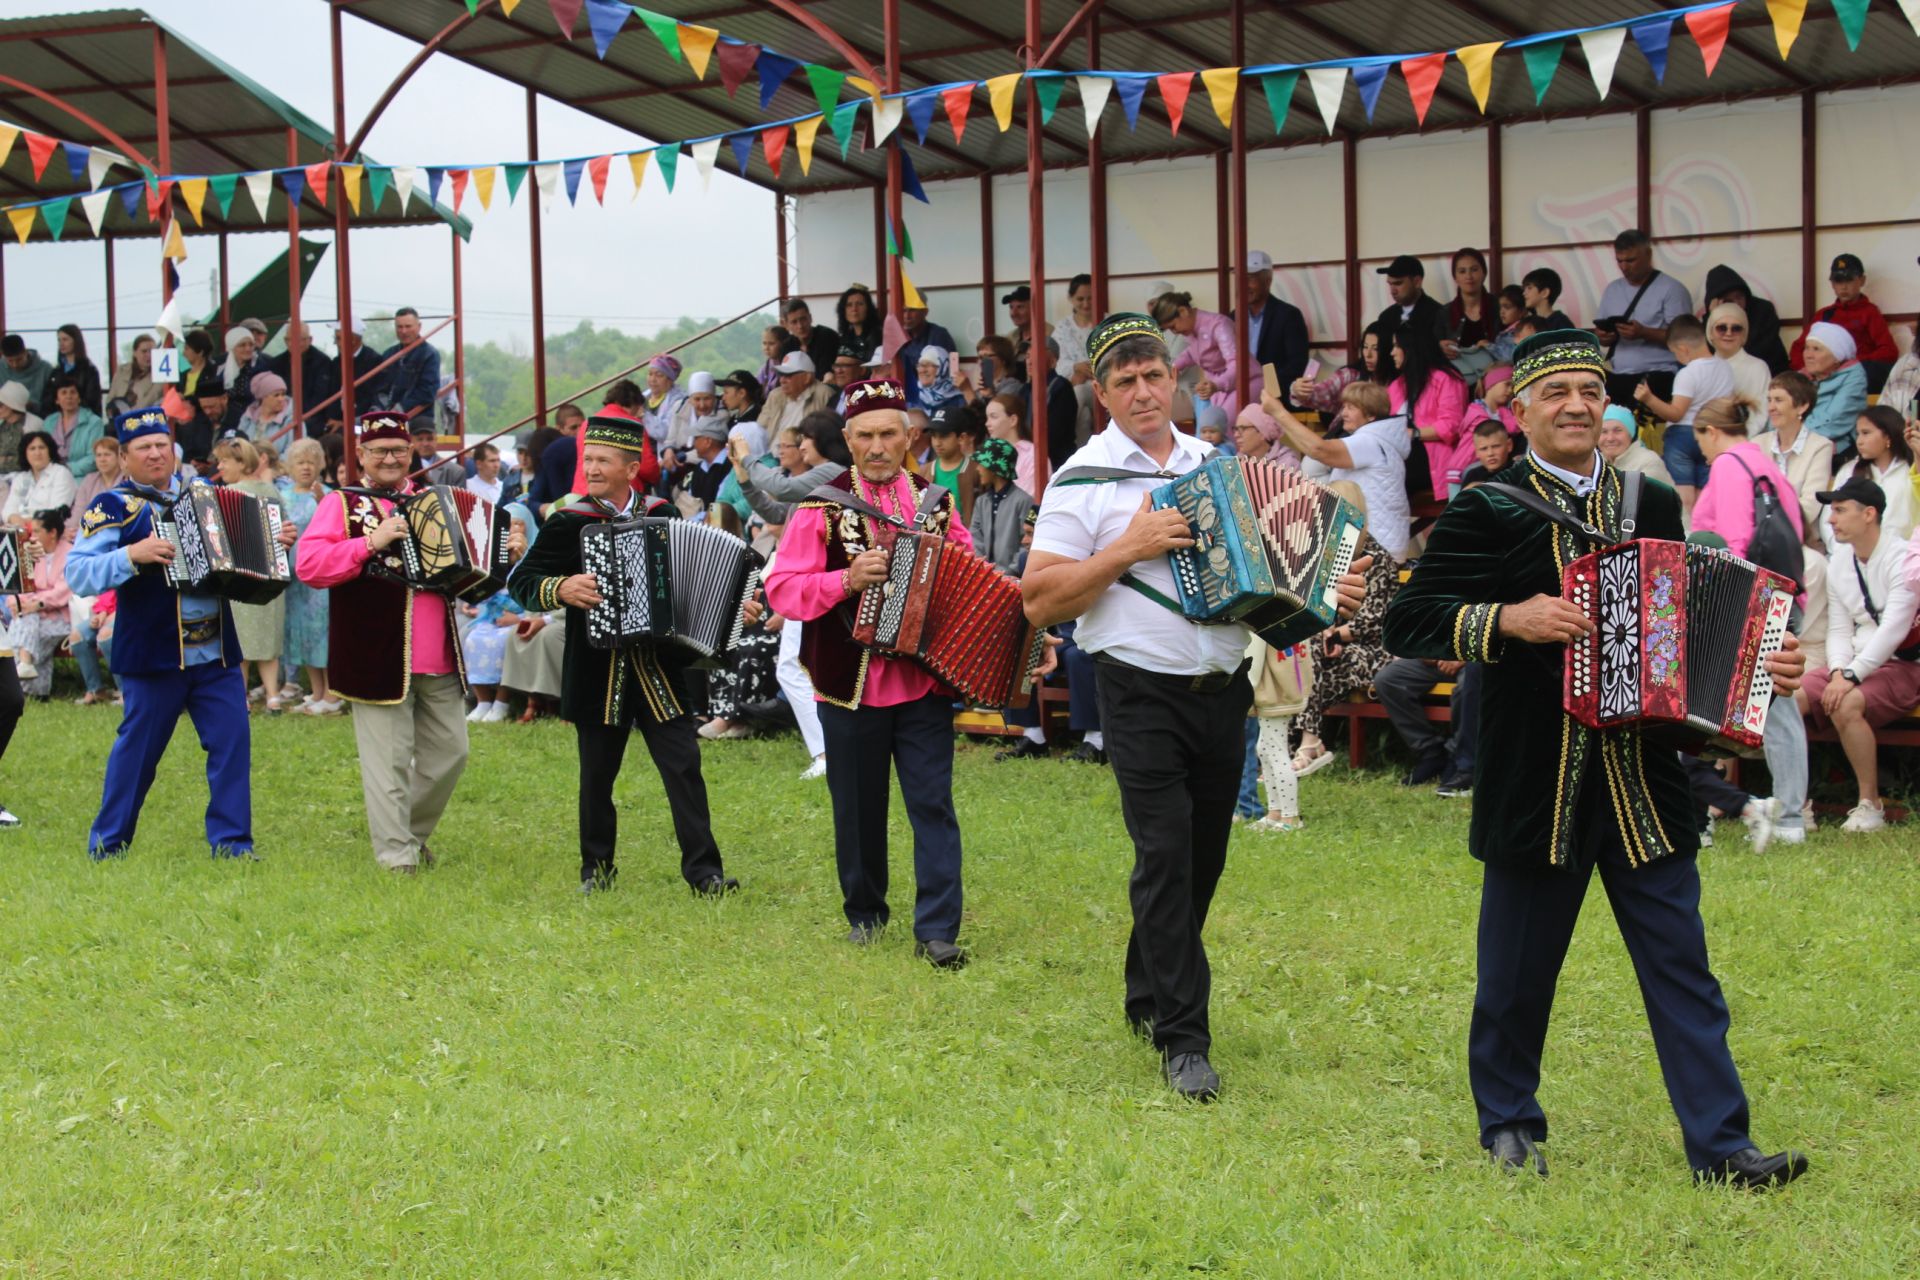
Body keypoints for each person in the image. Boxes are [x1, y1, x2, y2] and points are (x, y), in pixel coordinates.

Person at [1380, 328, 1810, 1188]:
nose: (1576, 405)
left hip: (1644, 783)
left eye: (1588, 389)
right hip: (1539, 777)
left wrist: (1764, 664)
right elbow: (1408, 621)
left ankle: (1723, 1149)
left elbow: (1681, 628)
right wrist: (1508, 620)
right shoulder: (1488, 505)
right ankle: (1507, 1123)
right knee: (1515, 975)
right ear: (1522, 408)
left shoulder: (1648, 502)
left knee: (1683, 968)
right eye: (1556, 392)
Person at [1027, 313, 1367, 1099]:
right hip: (1137, 687)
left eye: (1154, 375)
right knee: (1166, 855)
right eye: (1125, 381)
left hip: (1223, 690)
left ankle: (1147, 992)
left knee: (1202, 860)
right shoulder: (1082, 479)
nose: (1144, 391)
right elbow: (1039, 601)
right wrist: (1126, 549)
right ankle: (1185, 1038)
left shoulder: (1217, 466)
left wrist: (1327, 590)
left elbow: (1271, 580)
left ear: (1174, 379)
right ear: (1103, 394)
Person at [764, 379, 1008, 970]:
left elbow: (966, 571)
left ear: (909, 437)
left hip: (923, 682)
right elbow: (782, 588)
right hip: (846, 686)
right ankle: (866, 914)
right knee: (856, 807)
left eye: (889, 434)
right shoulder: (819, 508)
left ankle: (938, 929)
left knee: (933, 805)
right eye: (866, 435)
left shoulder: (937, 503)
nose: (877, 446)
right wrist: (843, 581)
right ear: (847, 440)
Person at [70, 407, 289, 860]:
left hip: (217, 652)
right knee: (137, 755)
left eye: (161, 445)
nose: (155, 454)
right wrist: (132, 553)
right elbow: (78, 574)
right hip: (153, 654)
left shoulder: (204, 494)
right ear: (124, 457)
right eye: (143, 448)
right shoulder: (111, 505)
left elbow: (240, 560)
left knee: (232, 746)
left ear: (173, 450)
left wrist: (273, 542)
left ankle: (232, 845)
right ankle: (108, 845)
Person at [295, 411, 474, 875]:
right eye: (379, 451)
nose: (390, 458)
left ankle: (409, 836)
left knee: (451, 754)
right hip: (376, 652)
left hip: (439, 654)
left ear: (411, 452)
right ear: (361, 456)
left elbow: (467, 573)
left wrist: (498, 553)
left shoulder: (435, 502)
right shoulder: (341, 503)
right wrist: (368, 543)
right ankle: (397, 859)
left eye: (398, 449)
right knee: (388, 762)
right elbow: (310, 566)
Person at [1686, 395, 1811, 846]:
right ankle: (1788, 813)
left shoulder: (1726, 465)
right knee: (1776, 705)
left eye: (1699, 439)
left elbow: (1736, 539)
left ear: (1710, 432)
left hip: (1745, 600)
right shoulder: (1767, 464)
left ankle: (1786, 815)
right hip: (1782, 596)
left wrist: (1724, 606)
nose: (1700, 451)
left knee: (1750, 706)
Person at [1798, 474, 1917, 834]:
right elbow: (1839, 628)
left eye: (1839, 510)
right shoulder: (1840, 561)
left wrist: (1850, 677)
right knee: (1789, 697)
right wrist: (1838, 672)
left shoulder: (1903, 558)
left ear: (1869, 514)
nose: (1831, 519)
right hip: (1852, 663)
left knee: (1848, 703)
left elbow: (1894, 630)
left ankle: (1870, 805)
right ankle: (1794, 804)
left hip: (1901, 665)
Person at [1267, 381, 1412, 563]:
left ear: (1371, 414)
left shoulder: (1370, 442)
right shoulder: (1378, 443)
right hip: (1377, 548)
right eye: (1344, 406)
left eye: (1351, 408)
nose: (1343, 413)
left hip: (1375, 553)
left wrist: (1278, 412)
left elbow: (1319, 449)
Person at [210, 439, 291, 710]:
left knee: (239, 641)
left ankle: (240, 696)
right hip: (270, 576)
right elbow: (286, 529)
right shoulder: (271, 491)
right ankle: (273, 696)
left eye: (224, 461)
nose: (219, 467)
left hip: (238, 579)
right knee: (269, 640)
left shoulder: (226, 492)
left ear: (242, 463)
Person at [1633, 314, 1736, 511]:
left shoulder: (1688, 373)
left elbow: (1676, 413)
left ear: (1683, 349)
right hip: (1713, 435)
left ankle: (1686, 538)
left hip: (1683, 438)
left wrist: (1649, 398)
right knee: (1707, 496)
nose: (1677, 358)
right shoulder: (1726, 368)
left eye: (1674, 353)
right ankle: (1706, 538)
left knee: (1684, 499)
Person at [1595, 230, 1693, 410]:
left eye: (1631, 260)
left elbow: (1685, 340)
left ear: (1648, 255)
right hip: (1617, 373)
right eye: (1619, 261)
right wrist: (1603, 336)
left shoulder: (1672, 289)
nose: (1624, 267)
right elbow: (1601, 333)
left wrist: (1644, 333)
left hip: (1658, 374)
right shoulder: (1612, 290)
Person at [278, 438, 336, 715]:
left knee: (322, 632)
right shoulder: (283, 496)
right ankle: (315, 691)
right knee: (301, 634)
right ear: (290, 466)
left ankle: (332, 694)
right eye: (300, 462)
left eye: (311, 463)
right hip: (293, 575)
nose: (305, 468)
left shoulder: (328, 494)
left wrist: (324, 503)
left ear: (319, 465)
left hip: (321, 574)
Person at [1752, 370, 1834, 547]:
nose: (1771, 407)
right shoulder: (1757, 444)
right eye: (1770, 400)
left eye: (1779, 400)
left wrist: (1772, 527)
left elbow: (1810, 505)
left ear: (1802, 406)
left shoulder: (1820, 446)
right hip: (1759, 539)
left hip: (1799, 542)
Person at [1789, 254, 1899, 378]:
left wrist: (1853, 362)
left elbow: (1888, 351)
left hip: (1856, 375)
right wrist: (1807, 369)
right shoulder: (1823, 315)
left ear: (1862, 280)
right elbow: (1798, 348)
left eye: (1849, 280)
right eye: (1838, 281)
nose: (1843, 287)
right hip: (1820, 377)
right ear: (1832, 284)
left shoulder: (1869, 312)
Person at [1392, 326, 1470, 497]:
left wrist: (1414, 433)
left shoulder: (1447, 379)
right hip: (1399, 454)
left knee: (1384, 478)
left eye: (1397, 346)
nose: (1392, 353)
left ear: (1410, 348)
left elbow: (1451, 425)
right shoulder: (1397, 385)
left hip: (1432, 460)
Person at [1821, 406, 1914, 547]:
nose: (1859, 441)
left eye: (1866, 433)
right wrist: (1844, 551)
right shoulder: (1849, 470)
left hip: (1903, 557)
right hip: (1851, 556)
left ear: (1888, 436)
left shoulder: (1911, 471)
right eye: (1858, 434)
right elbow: (1828, 520)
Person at [12, 508, 74, 699]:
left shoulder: (70, 554)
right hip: (34, 617)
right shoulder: (30, 552)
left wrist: (37, 603)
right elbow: (17, 585)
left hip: (62, 618)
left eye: (37, 530)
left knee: (23, 626)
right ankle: (36, 687)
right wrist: (19, 603)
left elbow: (64, 590)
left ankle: (22, 681)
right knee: (26, 624)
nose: (33, 534)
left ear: (52, 533)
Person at [1239, 251, 1311, 407]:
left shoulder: (1288, 315)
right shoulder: (1234, 318)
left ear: (1268, 280)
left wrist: (1265, 385)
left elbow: (1297, 363)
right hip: (1239, 399)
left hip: (1276, 401)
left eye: (1250, 279)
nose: (1244, 285)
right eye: (1241, 279)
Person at [1152, 292, 1240, 416]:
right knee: (1207, 426)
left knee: (1220, 424)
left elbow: (1237, 364)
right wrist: (1169, 370)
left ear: (1183, 311)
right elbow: (1191, 354)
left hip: (1241, 384)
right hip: (1214, 388)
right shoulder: (1191, 331)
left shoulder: (1219, 325)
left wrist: (1216, 384)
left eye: (1173, 327)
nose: (1175, 332)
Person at [1291, 320, 1396, 416]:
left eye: (1375, 349)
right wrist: (1300, 390)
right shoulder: (1349, 376)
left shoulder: (1398, 384)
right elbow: (1323, 391)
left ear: (1389, 351)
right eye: (1365, 347)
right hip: (1345, 435)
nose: (1368, 355)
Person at [1701, 265, 1789, 373]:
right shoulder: (1711, 319)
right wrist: (1714, 317)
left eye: (1739, 297)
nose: (1737, 303)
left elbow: (1756, 350)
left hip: (1771, 372)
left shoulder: (1762, 311)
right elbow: (1709, 354)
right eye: (1729, 300)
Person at [1800, 322, 1871, 455]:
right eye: (1806, 348)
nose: (1808, 355)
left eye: (1816, 349)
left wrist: (1793, 436)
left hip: (1838, 450)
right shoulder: (1801, 377)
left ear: (1837, 357)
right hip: (1796, 445)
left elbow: (1834, 421)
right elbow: (1780, 413)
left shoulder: (1854, 377)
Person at [966, 438, 1032, 574]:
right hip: (983, 578)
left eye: (982, 464)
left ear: (994, 467)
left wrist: (1008, 572)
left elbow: (1026, 543)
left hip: (1013, 581)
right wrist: (982, 570)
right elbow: (975, 537)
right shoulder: (981, 502)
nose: (978, 469)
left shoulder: (1024, 501)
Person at [1707, 303, 1770, 430]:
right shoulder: (1702, 368)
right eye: (1721, 328)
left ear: (1743, 335)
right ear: (1710, 334)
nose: (1728, 333)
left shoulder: (1757, 367)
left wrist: (1737, 442)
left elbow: (1759, 414)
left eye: (1736, 328)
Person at [1441, 248, 1498, 380]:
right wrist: (1439, 348)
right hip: (1457, 379)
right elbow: (1433, 347)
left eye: (1474, 269)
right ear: (1455, 277)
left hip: (1496, 380)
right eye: (1462, 271)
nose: (1469, 276)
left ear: (1484, 273)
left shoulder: (1499, 306)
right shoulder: (1444, 313)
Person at [266, 322, 335, 429]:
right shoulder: (276, 364)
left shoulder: (322, 362)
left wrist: (300, 416)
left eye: (300, 339)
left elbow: (321, 395)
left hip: (313, 416)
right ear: (285, 340)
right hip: (281, 415)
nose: (294, 343)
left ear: (310, 340)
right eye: (290, 339)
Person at [381, 307, 443, 420]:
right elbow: (380, 387)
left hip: (418, 418)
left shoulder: (430, 355)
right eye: (399, 327)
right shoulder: (388, 354)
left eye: (408, 326)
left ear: (419, 327)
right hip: (387, 415)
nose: (404, 331)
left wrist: (401, 408)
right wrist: (380, 408)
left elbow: (427, 392)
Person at [6, 432, 76, 527]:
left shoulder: (61, 473)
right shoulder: (20, 478)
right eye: (32, 448)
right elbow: (9, 508)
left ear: (50, 451)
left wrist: (27, 523)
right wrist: (14, 518)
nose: (37, 453)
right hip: (18, 528)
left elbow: (56, 512)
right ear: (25, 453)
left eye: (42, 448)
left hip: (47, 530)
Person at [1373, 254, 1447, 345]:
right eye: (1390, 284)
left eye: (1398, 283)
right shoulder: (1386, 317)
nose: (1392, 291)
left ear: (1417, 282)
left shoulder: (1438, 315)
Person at [1597, 404, 1675, 487]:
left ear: (1631, 434)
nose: (1610, 438)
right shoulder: (1595, 463)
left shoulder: (1648, 462)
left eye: (1618, 431)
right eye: (1604, 432)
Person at [45, 376, 107, 476]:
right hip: (51, 475)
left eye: (73, 392)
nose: (69, 396)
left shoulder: (94, 422)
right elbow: (44, 452)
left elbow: (94, 457)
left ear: (79, 398)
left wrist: (66, 469)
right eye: (64, 392)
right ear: (57, 400)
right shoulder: (49, 422)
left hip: (82, 478)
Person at [760, 352, 834, 435]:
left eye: (788, 375)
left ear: (807, 378)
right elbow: (760, 429)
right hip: (772, 447)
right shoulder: (775, 395)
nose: (782, 380)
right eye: (780, 374)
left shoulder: (824, 394)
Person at [982, 393, 1037, 497]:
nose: (987, 423)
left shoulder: (1032, 455)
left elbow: (1030, 501)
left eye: (993, 417)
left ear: (1013, 420)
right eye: (987, 418)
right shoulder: (989, 453)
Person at [218, 327, 269, 431]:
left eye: (251, 344)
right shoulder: (221, 369)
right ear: (232, 347)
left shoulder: (261, 366)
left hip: (253, 420)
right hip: (228, 420)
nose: (248, 349)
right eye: (242, 345)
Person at [899, 305, 959, 386]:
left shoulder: (940, 334)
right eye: (903, 311)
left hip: (937, 393)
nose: (906, 316)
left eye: (912, 310)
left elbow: (954, 368)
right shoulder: (899, 337)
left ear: (925, 312)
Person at [105, 334, 163, 415]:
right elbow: (111, 397)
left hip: (141, 418)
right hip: (116, 416)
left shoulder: (159, 375)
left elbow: (151, 399)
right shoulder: (122, 370)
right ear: (135, 353)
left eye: (152, 351)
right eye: (144, 351)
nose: (149, 355)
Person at [782, 298, 841, 376]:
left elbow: (827, 372)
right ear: (786, 325)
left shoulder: (828, 337)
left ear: (810, 318)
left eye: (803, 319)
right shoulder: (787, 346)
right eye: (794, 322)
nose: (800, 326)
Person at [1, 334, 54, 415]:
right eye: (10, 361)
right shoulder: (1, 368)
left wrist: (34, 405)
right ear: (4, 357)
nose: (15, 365)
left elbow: (53, 399)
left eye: (19, 359)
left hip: (39, 416)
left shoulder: (45, 369)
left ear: (25, 352)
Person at [73, 436, 125, 515]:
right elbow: (78, 511)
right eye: (98, 455)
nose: (102, 459)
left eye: (107, 454)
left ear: (119, 457)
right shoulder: (89, 480)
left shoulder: (127, 479)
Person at [834, 285, 881, 366]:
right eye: (849, 305)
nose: (854, 309)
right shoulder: (845, 337)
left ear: (868, 308)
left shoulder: (877, 335)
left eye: (860, 304)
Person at [1519, 267, 1575, 334]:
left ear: (1545, 292)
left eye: (1529, 288)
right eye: (1524, 289)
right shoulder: (1529, 323)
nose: (1524, 293)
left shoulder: (1562, 324)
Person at [409, 421, 465, 488]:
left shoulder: (455, 472)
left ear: (436, 440)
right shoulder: (403, 470)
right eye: (420, 439)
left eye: (430, 439)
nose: (425, 444)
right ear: (411, 441)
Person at [238, 372, 293, 440]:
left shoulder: (291, 419)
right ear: (263, 397)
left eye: (283, 394)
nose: (281, 399)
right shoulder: (248, 417)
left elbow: (296, 449)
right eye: (276, 395)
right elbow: (239, 444)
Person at [0, 382, 42, 468]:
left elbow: (32, 457)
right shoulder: (2, 424)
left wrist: (4, 460)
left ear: (12, 405)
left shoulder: (35, 425)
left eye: (0, 405)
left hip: (24, 475)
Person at [912, 346, 963, 415]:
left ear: (943, 368)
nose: (922, 370)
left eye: (928, 365)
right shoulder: (913, 400)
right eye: (920, 365)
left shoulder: (959, 401)